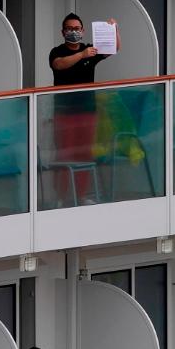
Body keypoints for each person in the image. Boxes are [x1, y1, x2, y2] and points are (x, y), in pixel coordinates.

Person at [47, 13, 121, 206]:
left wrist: (114, 29)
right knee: (64, 153)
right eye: (70, 28)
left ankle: (80, 195)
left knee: (85, 153)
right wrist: (81, 55)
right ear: (63, 32)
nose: (74, 32)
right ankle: (61, 197)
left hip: (88, 110)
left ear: (83, 30)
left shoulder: (91, 50)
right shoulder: (57, 51)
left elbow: (114, 49)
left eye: (77, 28)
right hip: (64, 111)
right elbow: (59, 65)